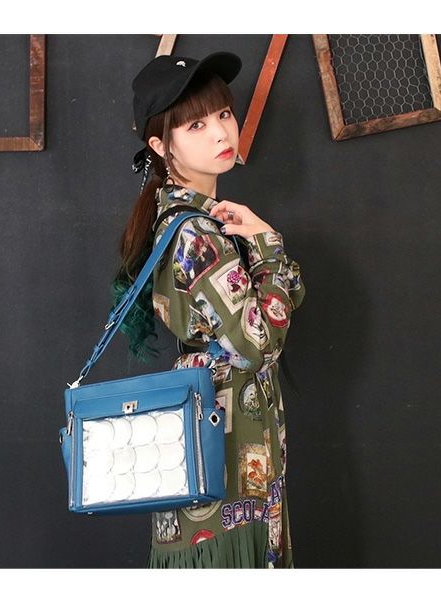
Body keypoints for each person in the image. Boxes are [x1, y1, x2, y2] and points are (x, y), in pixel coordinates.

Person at [110, 51, 306, 568]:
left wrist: (261, 245)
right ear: (160, 145)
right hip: (225, 451)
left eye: (223, 113)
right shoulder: (196, 234)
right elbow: (256, 343)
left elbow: (280, 304)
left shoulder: (200, 219)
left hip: (230, 440)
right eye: (195, 124)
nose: (221, 132)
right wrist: (267, 246)